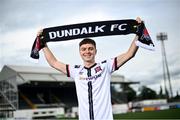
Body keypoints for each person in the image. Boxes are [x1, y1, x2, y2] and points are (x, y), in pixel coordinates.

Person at [38, 17, 142, 120]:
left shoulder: (106, 66)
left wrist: (138, 33)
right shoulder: (76, 70)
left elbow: (130, 54)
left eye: (90, 49)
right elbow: (53, 62)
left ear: (95, 51)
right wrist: (43, 44)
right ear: (80, 52)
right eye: (83, 49)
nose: (87, 51)